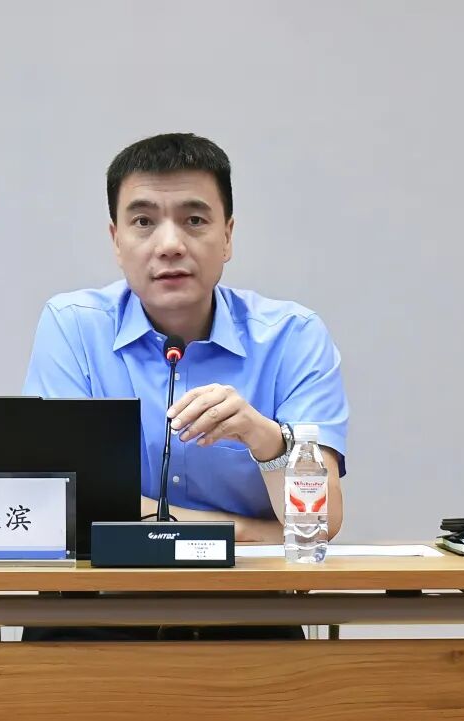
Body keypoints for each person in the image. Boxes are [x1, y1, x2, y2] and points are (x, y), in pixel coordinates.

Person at [21, 132, 349, 641]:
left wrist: (265, 439)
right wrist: (244, 532)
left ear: (228, 236)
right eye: (143, 222)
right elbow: (61, 505)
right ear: (116, 240)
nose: (170, 244)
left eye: (195, 220)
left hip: (247, 618)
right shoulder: (74, 326)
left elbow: (318, 524)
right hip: (93, 616)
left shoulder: (293, 336)